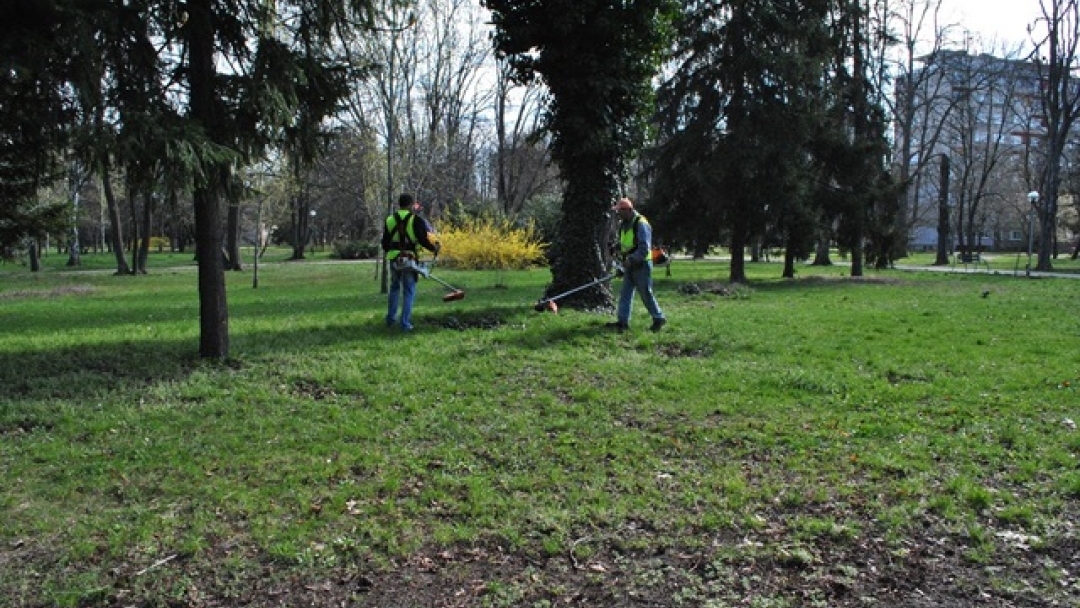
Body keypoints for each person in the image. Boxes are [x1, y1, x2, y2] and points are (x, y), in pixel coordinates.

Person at [382, 193, 440, 332]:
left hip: (394, 258)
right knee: (408, 291)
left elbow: (385, 242)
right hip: (410, 259)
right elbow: (422, 239)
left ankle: (390, 319)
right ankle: (405, 324)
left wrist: (392, 252)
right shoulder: (416, 220)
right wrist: (434, 248)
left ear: (399, 204)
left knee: (394, 288)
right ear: (410, 204)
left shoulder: (389, 220)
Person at [607, 197, 666, 332]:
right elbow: (626, 244)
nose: (618, 214)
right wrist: (615, 247)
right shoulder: (624, 224)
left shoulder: (641, 223)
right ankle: (622, 322)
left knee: (646, 293)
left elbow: (644, 248)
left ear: (628, 210)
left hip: (642, 265)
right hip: (630, 265)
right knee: (625, 294)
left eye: (619, 211)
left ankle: (658, 318)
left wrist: (631, 259)